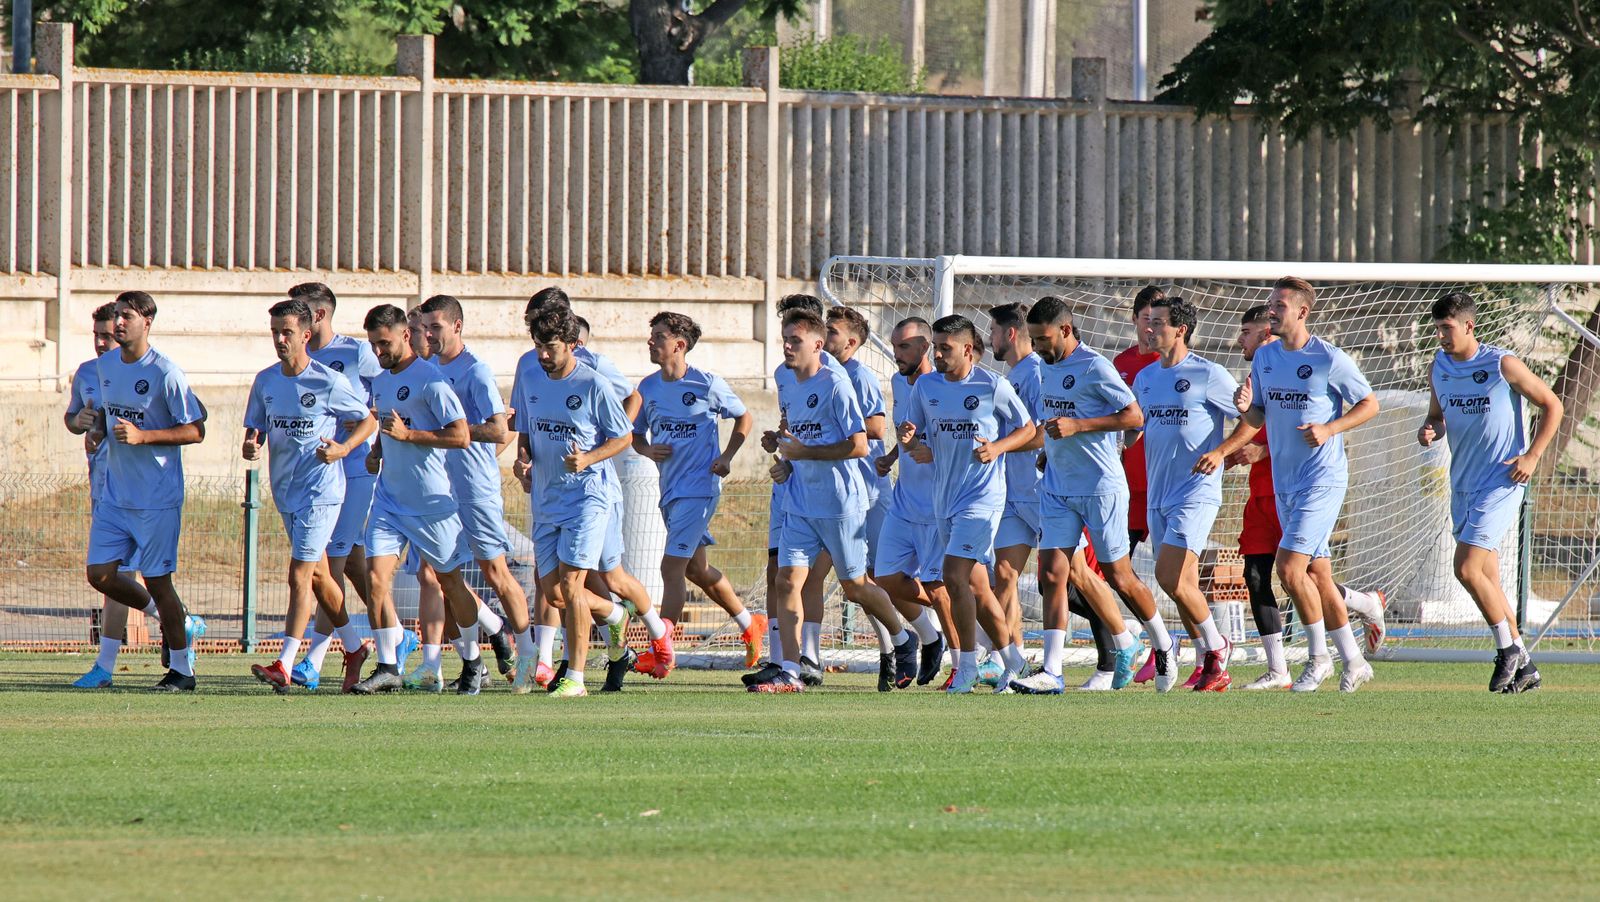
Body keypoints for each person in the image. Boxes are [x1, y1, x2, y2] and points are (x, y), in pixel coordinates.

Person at [753, 308, 918, 693]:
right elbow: (796, 435)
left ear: (816, 344)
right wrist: (782, 455)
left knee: (856, 587)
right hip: (799, 502)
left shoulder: (836, 384)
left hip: (841, 503)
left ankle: (902, 636)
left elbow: (860, 445)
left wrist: (804, 454)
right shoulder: (786, 380)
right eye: (784, 339)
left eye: (794, 340)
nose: (787, 346)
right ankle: (791, 671)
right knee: (786, 580)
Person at [1011, 297, 1166, 694]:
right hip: (1058, 487)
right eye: (1033, 340)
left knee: (1119, 576)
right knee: (1051, 575)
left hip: (1100, 488)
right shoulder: (1044, 369)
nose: (1038, 348)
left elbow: (1134, 417)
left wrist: (1080, 426)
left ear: (1065, 330)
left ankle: (1163, 643)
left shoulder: (1095, 366)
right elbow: (1053, 421)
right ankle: (1051, 671)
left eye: (1043, 339)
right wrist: (1047, 448)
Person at [1228, 306, 1387, 690]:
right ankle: (1353, 660)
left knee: (1288, 569)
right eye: (1270, 305)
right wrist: (1245, 409)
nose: (1272, 312)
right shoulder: (1266, 356)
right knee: (1317, 575)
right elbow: (1259, 416)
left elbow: (1370, 403)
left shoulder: (1328, 357)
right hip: (1286, 483)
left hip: (1322, 480)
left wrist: (1329, 428)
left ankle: (1318, 660)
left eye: (1278, 306)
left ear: (1301, 312)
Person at [1419, 292, 1561, 693]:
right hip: (1461, 482)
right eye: (1437, 330)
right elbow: (1436, 416)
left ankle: (1506, 650)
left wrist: (1532, 455)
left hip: (1502, 481)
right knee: (1489, 578)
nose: (1442, 337)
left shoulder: (1502, 364)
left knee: (1465, 568)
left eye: (1447, 329)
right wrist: (1431, 429)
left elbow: (1552, 405)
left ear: (1468, 326)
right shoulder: (1440, 367)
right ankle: (1525, 663)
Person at [349, 304, 489, 695]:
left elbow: (460, 436)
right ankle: (389, 665)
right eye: (374, 344)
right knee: (375, 578)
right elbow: (388, 423)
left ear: (405, 335)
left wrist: (411, 436)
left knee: (450, 583)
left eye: (384, 343)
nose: (378, 351)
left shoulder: (431, 381)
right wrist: (378, 449)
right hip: (390, 501)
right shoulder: (380, 380)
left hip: (431, 505)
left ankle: (473, 660)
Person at [242, 299, 377, 690]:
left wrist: (343, 449)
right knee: (319, 576)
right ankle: (354, 647)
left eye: (286, 333)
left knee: (298, 575)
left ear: (305, 334)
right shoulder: (266, 380)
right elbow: (256, 428)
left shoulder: (327, 380)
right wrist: (252, 444)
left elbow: (367, 419)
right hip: (286, 490)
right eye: (274, 333)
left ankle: (284, 662)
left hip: (322, 490)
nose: (279, 340)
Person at [77, 291, 208, 691]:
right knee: (100, 575)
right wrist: (96, 428)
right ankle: (177, 621)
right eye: (116, 316)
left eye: (126, 316)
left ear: (147, 322)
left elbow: (196, 429)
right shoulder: (106, 366)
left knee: (158, 580)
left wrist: (144, 436)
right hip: (116, 495)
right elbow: (107, 414)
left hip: (156, 498)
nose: (118, 323)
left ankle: (182, 671)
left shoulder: (165, 372)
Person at [899, 314, 1037, 694]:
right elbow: (912, 439)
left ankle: (967, 665)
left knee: (953, 576)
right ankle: (1016, 663)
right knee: (978, 587)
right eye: (935, 347)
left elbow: (1028, 429)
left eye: (945, 348)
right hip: (944, 499)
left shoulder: (993, 385)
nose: (937, 354)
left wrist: (998, 447)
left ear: (968, 349)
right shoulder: (926, 387)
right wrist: (910, 440)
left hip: (982, 499)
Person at [1132, 296, 1259, 692]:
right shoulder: (1146, 378)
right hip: (1158, 492)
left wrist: (1220, 452)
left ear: (1180, 329)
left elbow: (1252, 419)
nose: (1148, 329)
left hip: (1196, 491)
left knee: (1167, 575)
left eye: (1157, 323)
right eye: (1147, 321)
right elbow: (1136, 424)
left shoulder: (1208, 374)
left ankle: (1218, 646)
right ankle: (1210, 660)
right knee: (1179, 584)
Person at [286, 282, 408, 691]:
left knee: (329, 564)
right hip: (314, 476)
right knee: (351, 565)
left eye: (300, 314)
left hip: (356, 471)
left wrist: (368, 443)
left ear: (317, 316)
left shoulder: (356, 353)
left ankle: (313, 661)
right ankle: (396, 638)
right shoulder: (298, 361)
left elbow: (381, 402)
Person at [417, 294, 539, 692]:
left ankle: (527, 656)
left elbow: (500, 429)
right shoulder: (427, 370)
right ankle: (475, 658)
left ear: (456, 326)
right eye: (426, 327)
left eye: (436, 327)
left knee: (495, 572)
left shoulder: (476, 372)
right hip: (437, 489)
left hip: (475, 488)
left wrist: (453, 433)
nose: (429, 334)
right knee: (436, 575)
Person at [517, 306, 638, 697]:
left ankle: (576, 679)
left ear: (572, 344)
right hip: (547, 498)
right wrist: (522, 461)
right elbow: (526, 430)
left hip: (587, 498)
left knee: (571, 585)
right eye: (538, 346)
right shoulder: (531, 377)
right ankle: (615, 614)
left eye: (550, 347)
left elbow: (623, 436)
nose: (543, 355)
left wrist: (587, 458)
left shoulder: (593, 384)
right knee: (552, 593)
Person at [633, 311, 763, 666]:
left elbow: (744, 416)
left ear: (679, 345)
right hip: (671, 491)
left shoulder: (707, 384)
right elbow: (633, 435)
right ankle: (750, 624)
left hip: (700, 489)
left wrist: (727, 455)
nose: (651, 341)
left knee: (670, 569)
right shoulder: (648, 387)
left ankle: (662, 650)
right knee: (696, 571)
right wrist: (646, 449)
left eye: (658, 336)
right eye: (652, 335)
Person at [825, 304, 915, 690]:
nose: (823, 338)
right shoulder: (816, 376)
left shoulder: (856, 375)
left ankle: (924, 638)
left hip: (869, 492)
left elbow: (877, 427)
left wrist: (830, 430)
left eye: (831, 332)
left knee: (880, 578)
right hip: (836, 491)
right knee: (854, 581)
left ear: (852, 342)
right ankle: (892, 649)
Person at [871, 317, 952, 687]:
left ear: (925, 348)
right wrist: (892, 455)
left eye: (903, 346)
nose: (895, 353)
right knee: (885, 577)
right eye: (893, 345)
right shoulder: (896, 382)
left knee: (940, 586)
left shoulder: (943, 385)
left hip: (938, 503)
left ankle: (966, 657)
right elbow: (908, 429)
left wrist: (926, 450)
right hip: (905, 500)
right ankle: (932, 637)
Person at [66, 303, 144, 688]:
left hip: (143, 492)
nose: (100, 343)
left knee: (133, 577)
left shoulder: (148, 373)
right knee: (111, 576)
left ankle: (175, 636)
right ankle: (178, 628)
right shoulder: (85, 373)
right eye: (95, 335)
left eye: (107, 335)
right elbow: (74, 418)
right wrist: (78, 422)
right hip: (104, 491)